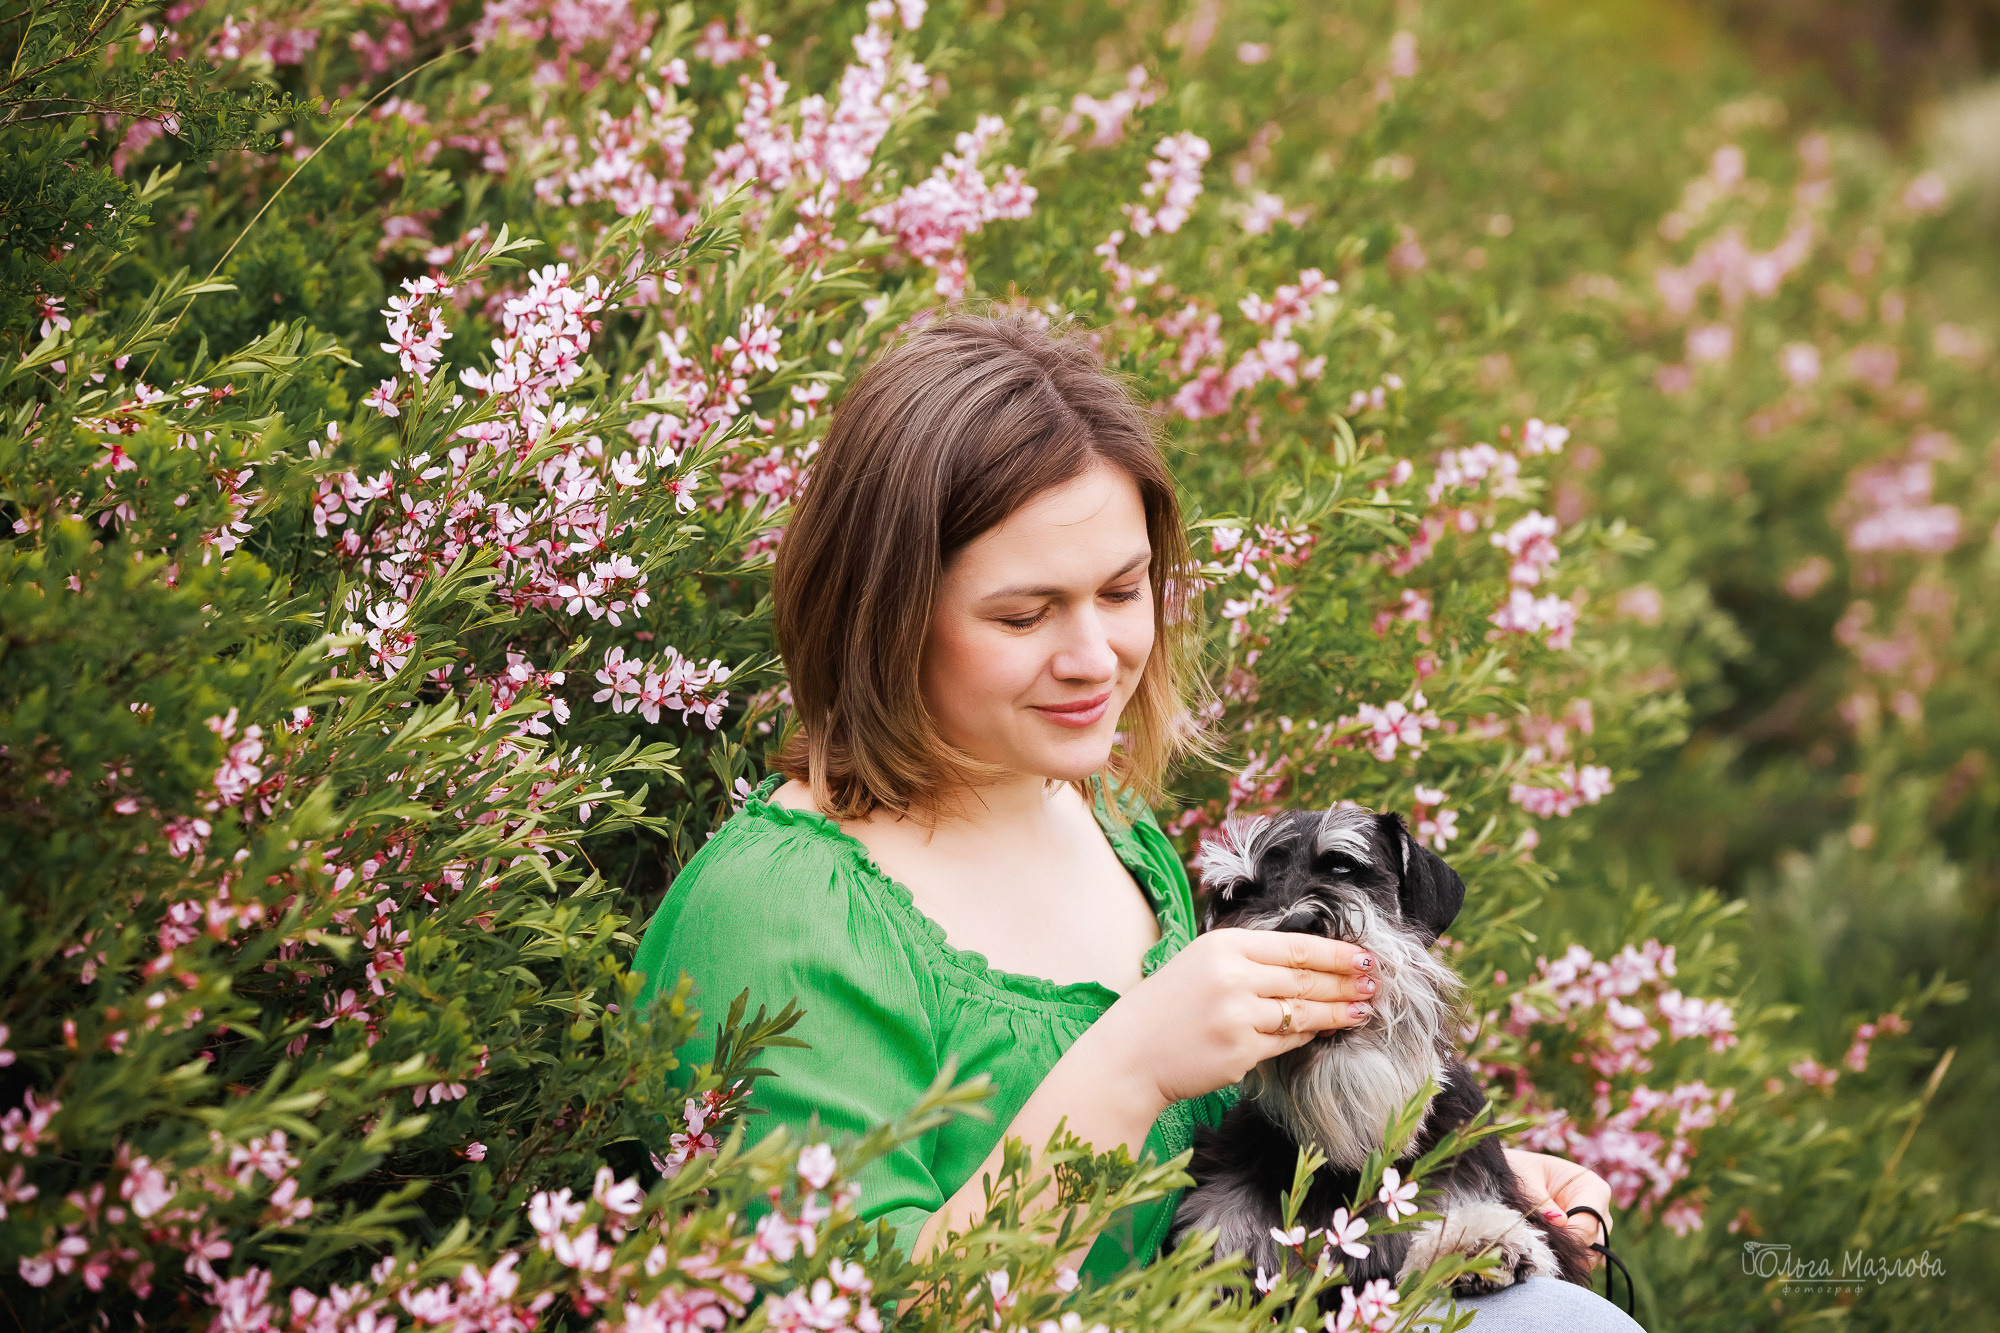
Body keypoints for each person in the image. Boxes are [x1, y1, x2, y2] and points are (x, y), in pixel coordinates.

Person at [632, 311, 1640, 1330]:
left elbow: (1231, 1189)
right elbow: (853, 1311)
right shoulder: (774, 918)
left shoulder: (1103, 823)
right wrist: (1130, 1068)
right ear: (882, 615)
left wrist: (1443, 1178)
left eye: (1121, 591)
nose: (1093, 657)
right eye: (1023, 614)